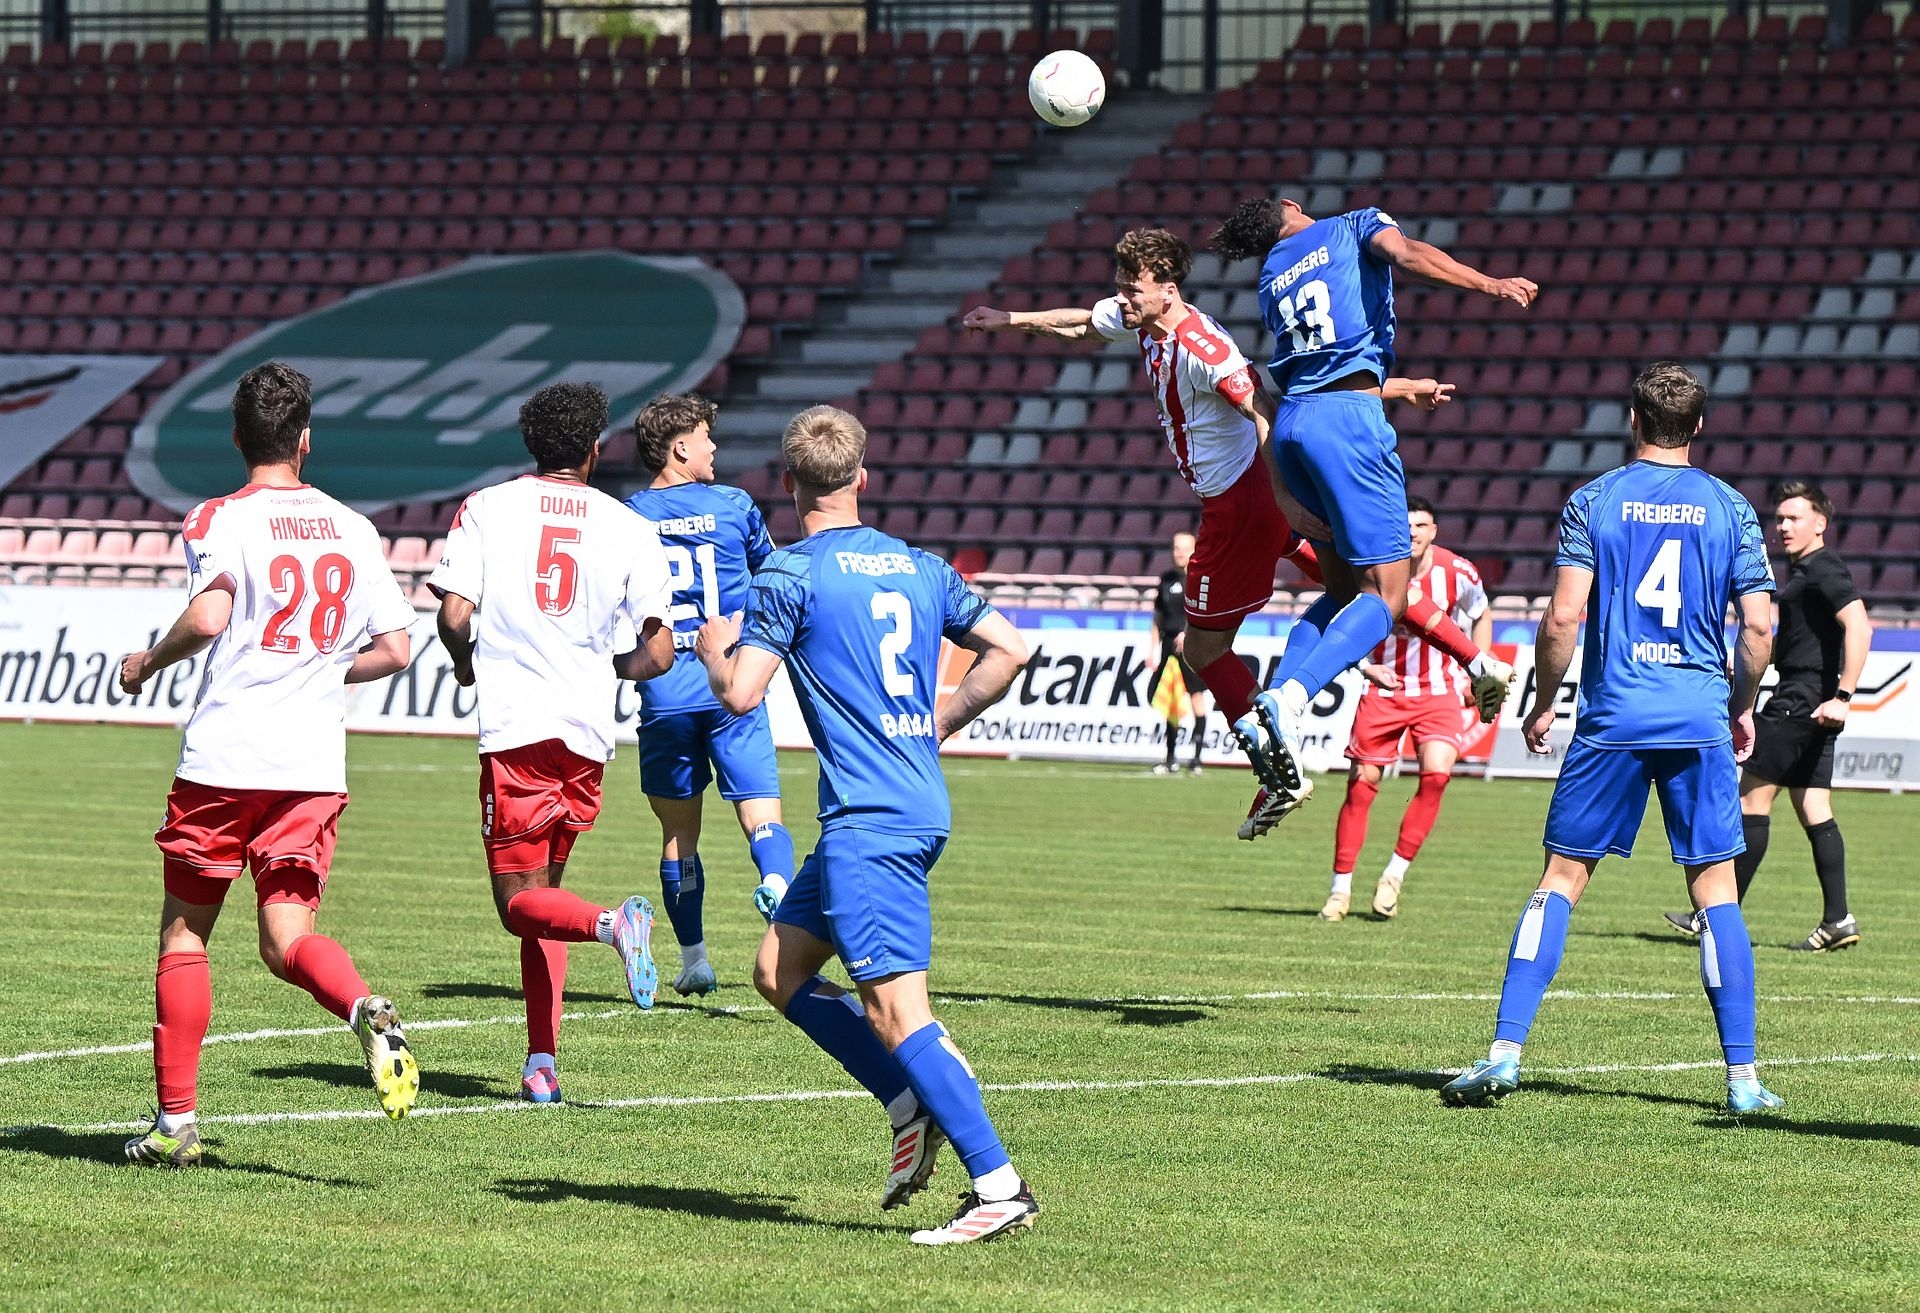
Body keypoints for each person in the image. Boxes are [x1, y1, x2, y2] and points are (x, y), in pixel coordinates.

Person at [962, 227, 1500, 836]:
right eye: (1121, 287)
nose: (1122, 298)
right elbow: (1085, 323)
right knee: (1363, 586)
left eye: (1132, 289)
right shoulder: (1144, 319)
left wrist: (1282, 500)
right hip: (1254, 497)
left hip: (1241, 505)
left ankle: (1277, 768)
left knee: (1202, 649)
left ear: (1168, 290)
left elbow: (1261, 407)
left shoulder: (1202, 346)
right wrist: (1008, 320)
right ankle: (1477, 660)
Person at [696, 405, 1037, 1246]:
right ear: (862, 476)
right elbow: (1010, 648)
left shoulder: (789, 574)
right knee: (778, 968)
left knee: (896, 1011)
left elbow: (741, 693)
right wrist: (939, 721)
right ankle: (906, 1099)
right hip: (907, 802)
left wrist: (713, 652)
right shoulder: (921, 566)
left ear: (788, 484)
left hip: (869, 821)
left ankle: (999, 1185)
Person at [1440, 363, 1783, 1116]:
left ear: (1632, 419)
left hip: (1614, 715)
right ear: (1699, 426)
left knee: (1561, 879)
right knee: (1716, 889)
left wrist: (1542, 702)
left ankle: (1504, 1053)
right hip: (1696, 717)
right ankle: (1742, 1079)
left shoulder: (1594, 500)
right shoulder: (1731, 507)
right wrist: (1739, 705)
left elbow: (1563, 617)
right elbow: (1758, 628)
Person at [118, 362, 422, 1166]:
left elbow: (209, 617)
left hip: (227, 758)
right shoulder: (353, 527)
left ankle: (175, 1125)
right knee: (287, 936)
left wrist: (148, 660)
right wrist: (321, 670)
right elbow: (396, 648)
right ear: (305, 439)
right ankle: (362, 1007)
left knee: (186, 933)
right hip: (311, 765)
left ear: (236, 437)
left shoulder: (218, 516)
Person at [1209, 196, 1533, 824]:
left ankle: (1273, 703)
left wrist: (1399, 389)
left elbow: (1321, 364)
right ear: (1291, 205)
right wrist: (1489, 284)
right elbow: (1406, 254)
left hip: (1294, 426)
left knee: (1340, 591)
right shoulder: (1355, 224)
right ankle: (1291, 700)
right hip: (1349, 425)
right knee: (1388, 596)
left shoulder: (1272, 275)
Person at [430, 381, 676, 1106]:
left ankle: (612, 923)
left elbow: (453, 615)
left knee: (517, 904)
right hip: (587, 736)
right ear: (595, 448)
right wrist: (610, 667)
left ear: (532, 444)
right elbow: (659, 653)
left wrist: (465, 663)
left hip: (519, 729)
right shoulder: (629, 526)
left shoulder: (489, 506)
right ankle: (542, 1062)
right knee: (545, 896)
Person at [623, 392, 797, 997]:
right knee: (762, 817)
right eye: (705, 438)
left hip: (665, 691)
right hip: (733, 684)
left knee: (679, 837)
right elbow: (771, 577)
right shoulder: (735, 505)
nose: (714, 447)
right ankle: (776, 885)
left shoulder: (628, 518)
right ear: (679, 448)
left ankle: (694, 959)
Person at [1663, 480, 1872, 951]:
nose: (1784, 526)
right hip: (1812, 701)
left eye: (1795, 517)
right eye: (1780, 518)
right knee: (1814, 808)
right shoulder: (1805, 572)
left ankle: (1714, 916)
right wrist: (1752, 660)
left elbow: (1859, 625)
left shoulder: (1823, 567)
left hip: (1799, 701)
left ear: (1820, 523)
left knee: (1749, 803)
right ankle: (1838, 920)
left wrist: (1844, 694)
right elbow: (1804, 641)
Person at [1322, 494, 1491, 922]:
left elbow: (1481, 613)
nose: (1413, 532)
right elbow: (1338, 621)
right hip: (1384, 689)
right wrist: (1364, 667)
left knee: (1437, 775)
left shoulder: (1458, 572)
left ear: (1434, 531)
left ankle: (1394, 875)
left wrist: (1479, 670)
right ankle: (1340, 890)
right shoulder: (1370, 568)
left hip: (1437, 691)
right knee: (1361, 784)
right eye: (1406, 524)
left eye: (1421, 525)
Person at [1147, 530, 1210, 775]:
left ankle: (1197, 759)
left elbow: (1204, 614)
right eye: (1176, 548)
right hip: (1168, 647)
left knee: (1196, 700)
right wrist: (1152, 650)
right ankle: (1170, 758)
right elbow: (1158, 617)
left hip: (1192, 648)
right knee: (1170, 702)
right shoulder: (1166, 579)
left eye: (1185, 548)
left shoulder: (1199, 578)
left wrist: (1188, 634)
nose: (1180, 552)